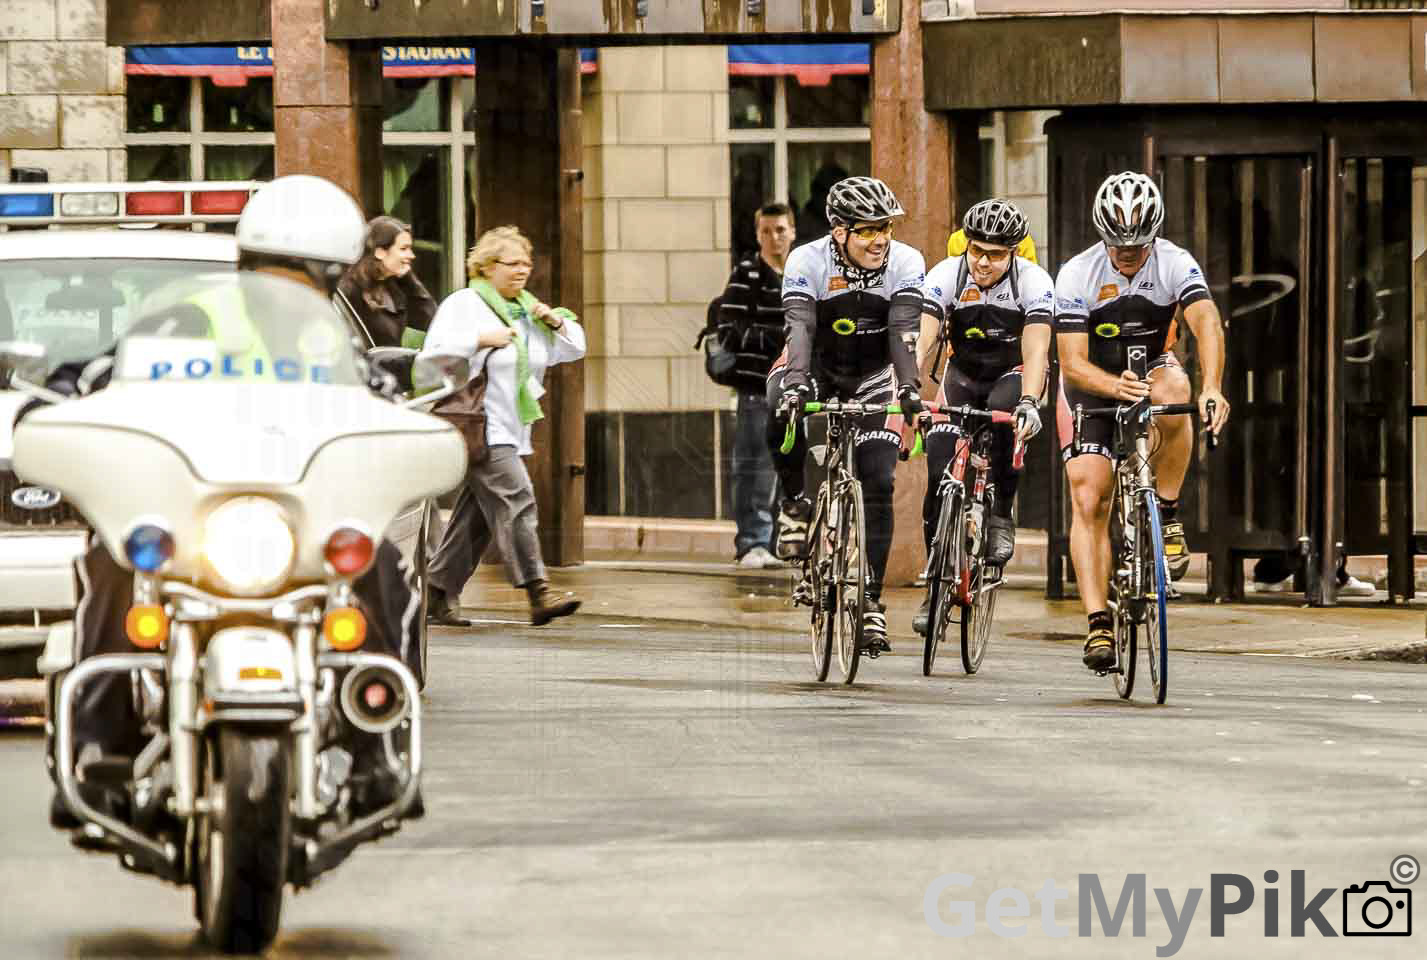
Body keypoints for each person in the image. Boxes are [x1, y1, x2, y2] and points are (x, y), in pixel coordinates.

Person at [43, 175, 422, 823]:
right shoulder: (187, 319)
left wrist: (396, 413)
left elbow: (372, 397)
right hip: (194, 511)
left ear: (331, 279)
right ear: (245, 263)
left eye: (306, 276)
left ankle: (376, 750)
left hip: (296, 518)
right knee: (114, 557)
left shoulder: (326, 341)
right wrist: (71, 389)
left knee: (381, 563)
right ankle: (100, 747)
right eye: (274, 270)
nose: (288, 287)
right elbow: (108, 370)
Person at [1054, 171, 1230, 671]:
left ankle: (1167, 513)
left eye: (1138, 244)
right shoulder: (1077, 273)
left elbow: (1206, 322)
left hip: (1150, 366)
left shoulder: (1174, 261)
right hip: (1091, 381)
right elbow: (1071, 363)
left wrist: (1213, 385)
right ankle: (1097, 623)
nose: (1128, 253)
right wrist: (1114, 387)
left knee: (1176, 389)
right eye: (1118, 244)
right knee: (1089, 497)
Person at [769, 176, 927, 656]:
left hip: (875, 375)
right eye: (869, 230)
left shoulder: (905, 262)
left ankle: (871, 598)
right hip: (817, 367)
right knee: (777, 398)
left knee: (879, 480)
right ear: (840, 232)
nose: (881, 240)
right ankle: (795, 504)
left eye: (886, 228)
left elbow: (903, 330)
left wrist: (910, 388)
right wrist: (797, 381)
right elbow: (800, 327)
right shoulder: (807, 261)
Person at [422, 226, 585, 628]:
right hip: (480, 426)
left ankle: (437, 591)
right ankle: (538, 590)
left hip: (512, 430)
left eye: (526, 263)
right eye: (512, 263)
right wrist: (480, 340)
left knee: (476, 518)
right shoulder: (465, 304)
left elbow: (572, 349)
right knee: (517, 499)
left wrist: (554, 321)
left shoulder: (526, 310)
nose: (522, 271)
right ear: (487, 266)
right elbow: (433, 356)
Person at [913, 199, 1052, 635]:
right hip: (963, 374)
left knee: (1003, 415)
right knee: (937, 471)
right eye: (977, 251)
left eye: (995, 254)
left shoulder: (1033, 281)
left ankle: (1001, 513)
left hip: (1012, 373)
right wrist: (908, 388)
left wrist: (1030, 400)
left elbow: (1037, 349)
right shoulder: (946, 275)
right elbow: (924, 338)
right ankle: (935, 586)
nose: (984, 262)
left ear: (1013, 252)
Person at [715, 202, 795, 569]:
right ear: (757, 235)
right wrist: (779, 338)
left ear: (792, 232)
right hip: (757, 388)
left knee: (784, 467)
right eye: (766, 231)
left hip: (793, 388)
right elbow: (729, 330)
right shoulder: (746, 275)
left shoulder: (801, 274)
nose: (774, 237)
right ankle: (752, 542)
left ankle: (773, 541)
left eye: (780, 230)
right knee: (754, 467)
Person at [338, 215, 437, 349]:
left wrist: (408, 278)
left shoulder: (396, 286)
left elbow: (430, 320)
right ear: (380, 252)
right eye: (404, 249)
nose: (411, 255)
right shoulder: (350, 289)